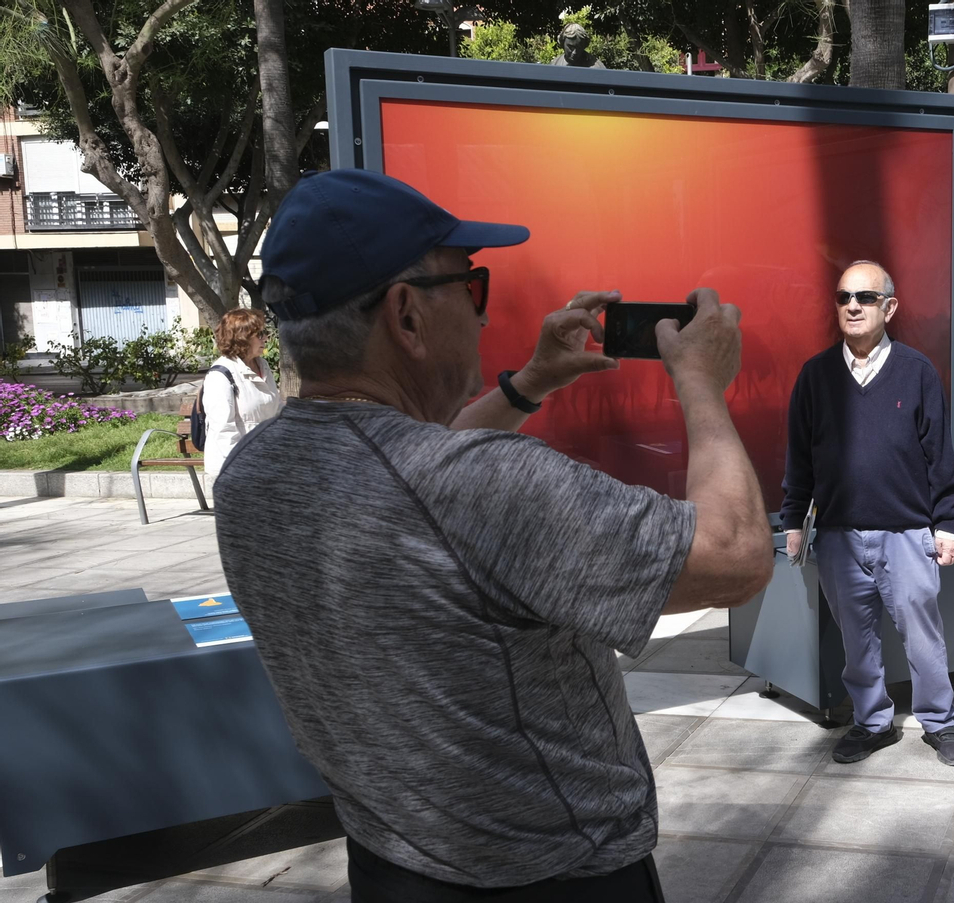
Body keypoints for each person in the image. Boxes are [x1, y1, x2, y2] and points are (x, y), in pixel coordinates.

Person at [212, 169, 772, 902]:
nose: (482, 316)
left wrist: (530, 381)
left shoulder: (249, 476)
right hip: (555, 874)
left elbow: (408, 464)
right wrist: (702, 380)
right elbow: (735, 555)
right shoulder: (487, 484)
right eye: (469, 286)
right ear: (406, 314)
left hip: (389, 860)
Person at [780, 260, 954, 767]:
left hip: (907, 535)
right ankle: (872, 723)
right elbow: (799, 456)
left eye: (865, 298)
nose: (852, 306)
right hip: (839, 536)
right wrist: (793, 521)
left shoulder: (916, 371)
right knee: (856, 641)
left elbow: (940, 455)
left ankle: (941, 722)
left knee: (923, 637)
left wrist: (950, 523)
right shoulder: (815, 375)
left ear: (889, 307)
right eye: (844, 297)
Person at [201, 306, 282, 475]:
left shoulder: (263, 366)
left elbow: (275, 411)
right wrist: (244, 468)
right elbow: (223, 430)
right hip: (235, 467)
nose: (266, 338)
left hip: (265, 462)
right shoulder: (220, 375)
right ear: (241, 338)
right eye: (259, 334)